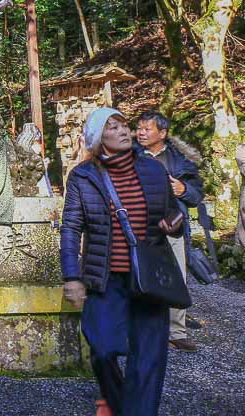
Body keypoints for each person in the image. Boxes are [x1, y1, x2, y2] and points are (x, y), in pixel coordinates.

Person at [61, 107, 187, 416]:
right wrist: (71, 276)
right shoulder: (83, 176)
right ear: (97, 138)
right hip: (106, 278)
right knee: (102, 349)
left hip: (149, 276)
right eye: (112, 127)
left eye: (123, 125)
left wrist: (175, 223)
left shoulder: (153, 170)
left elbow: (174, 214)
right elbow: (71, 227)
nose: (123, 131)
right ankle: (120, 404)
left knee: (147, 359)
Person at [135, 110, 205, 352]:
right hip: (138, 225)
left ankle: (176, 331)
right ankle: (140, 327)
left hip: (172, 226)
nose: (140, 133)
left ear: (162, 133)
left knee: (176, 276)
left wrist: (183, 188)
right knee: (138, 274)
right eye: (139, 128)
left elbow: (197, 196)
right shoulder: (130, 155)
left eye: (147, 129)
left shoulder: (181, 161)